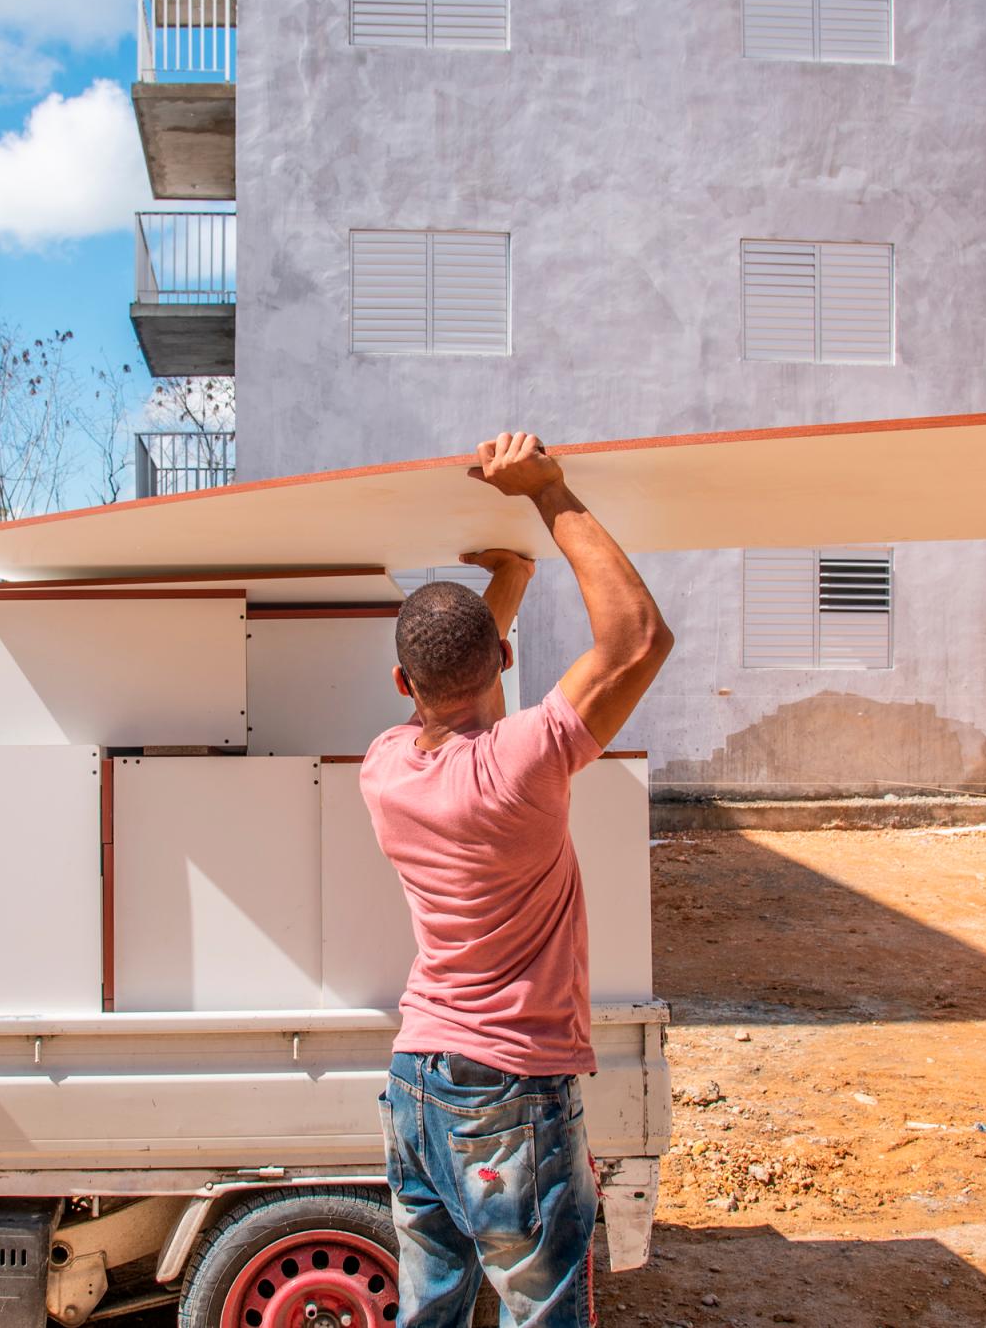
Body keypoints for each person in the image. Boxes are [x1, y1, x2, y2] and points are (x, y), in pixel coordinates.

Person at [360, 432, 675, 1327]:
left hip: (418, 1079)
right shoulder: (522, 763)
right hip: (508, 1093)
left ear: (400, 682)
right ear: (504, 660)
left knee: (433, 1310)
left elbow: (455, 673)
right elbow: (637, 637)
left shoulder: (383, 766)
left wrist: (512, 582)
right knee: (541, 1313)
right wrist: (547, 491)